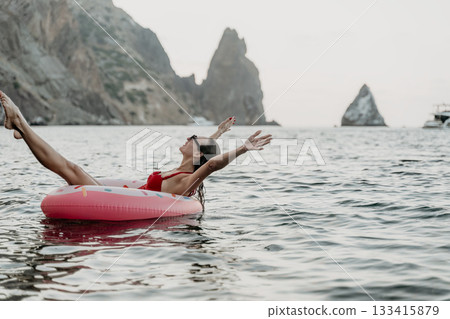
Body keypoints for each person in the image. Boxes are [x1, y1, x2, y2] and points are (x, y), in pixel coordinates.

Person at [0, 90, 272, 209]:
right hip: (128, 194)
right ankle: (21, 127)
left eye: (193, 138)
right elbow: (205, 153)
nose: (187, 138)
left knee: (72, 169)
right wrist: (219, 132)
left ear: (197, 154)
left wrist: (243, 148)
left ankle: (21, 122)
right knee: (71, 169)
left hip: (122, 201)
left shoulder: (188, 180)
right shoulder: (182, 167)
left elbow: (211, 163)